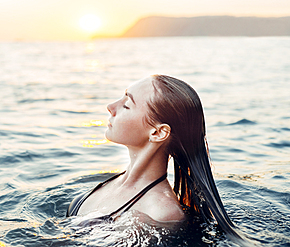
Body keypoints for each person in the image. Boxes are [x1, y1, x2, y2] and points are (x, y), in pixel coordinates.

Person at [67, 74, 242, 240]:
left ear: (158, 132)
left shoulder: (160, 213)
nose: (111, 107)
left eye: (127, 104)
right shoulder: (106, 185)